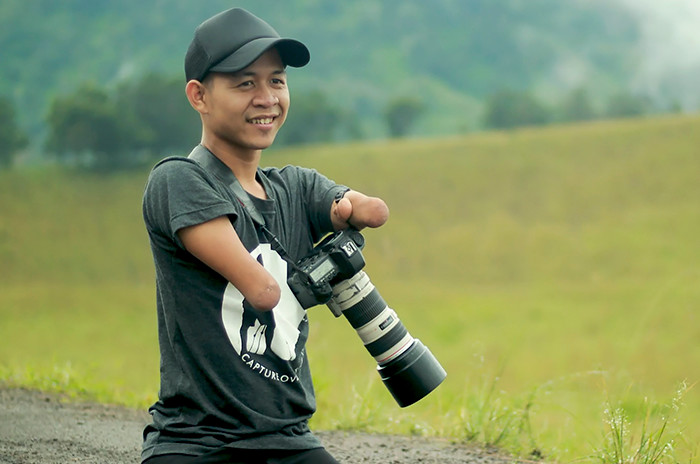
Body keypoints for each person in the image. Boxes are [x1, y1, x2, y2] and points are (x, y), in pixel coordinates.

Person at [140, 7, 389, 464]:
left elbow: (376, 210)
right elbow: (261, 289)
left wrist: (351, 212)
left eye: (277, 81)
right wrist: (318, 278)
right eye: (245, 83)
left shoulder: (294, 185)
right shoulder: (178, 180)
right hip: (196, 441)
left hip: (289, 438)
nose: (266, 97)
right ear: (199, 95)